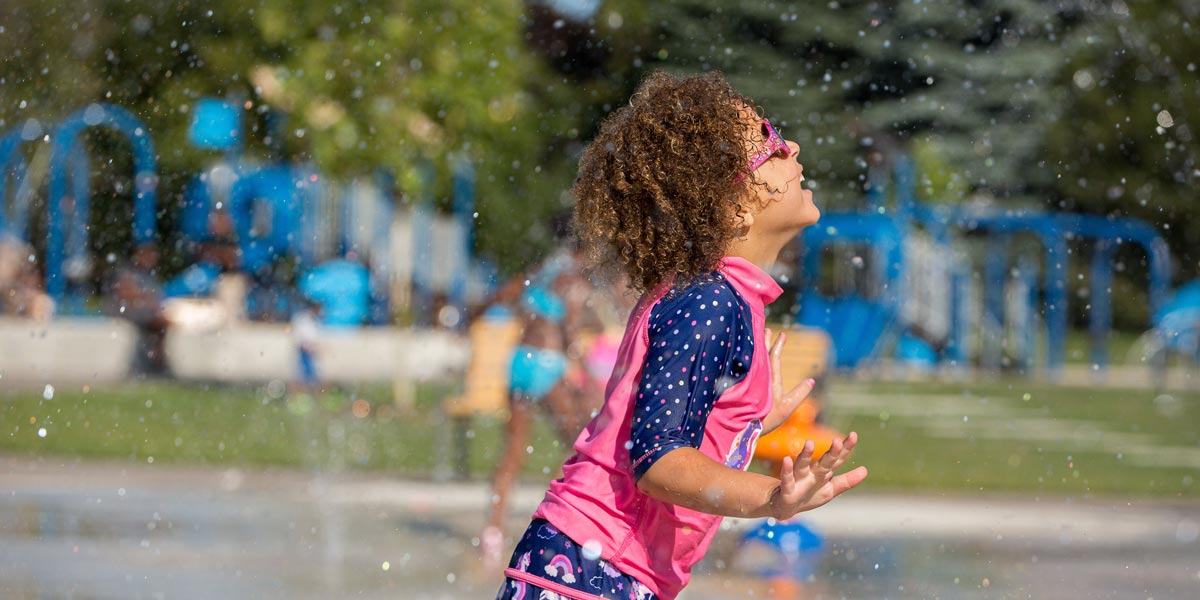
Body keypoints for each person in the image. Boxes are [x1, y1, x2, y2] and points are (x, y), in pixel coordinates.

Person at [494, 71, 868, 600]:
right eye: (770, 141)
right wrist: (773, 497)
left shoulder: (718, 295)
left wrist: (749, 424)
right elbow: (659, 460)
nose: (792, 147)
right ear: (734, 206)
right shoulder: (710, 300)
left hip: (597, 565)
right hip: (592, 570)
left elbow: (675, 426)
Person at [480, 233, 614, 564]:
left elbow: (502, 295)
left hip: (519, 361)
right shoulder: (574, 280)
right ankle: (553, 520)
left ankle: (492, 531)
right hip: (547, 362)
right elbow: (569, 333)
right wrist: (591, 377)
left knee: (512, 451)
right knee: (583, 444)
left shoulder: (542, 271)